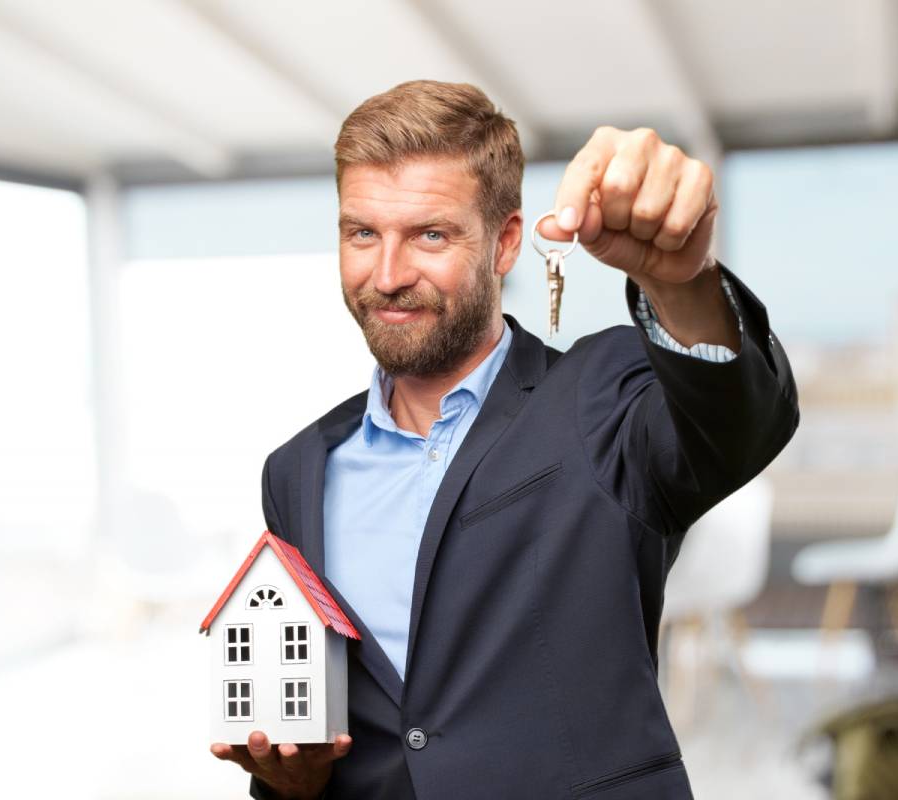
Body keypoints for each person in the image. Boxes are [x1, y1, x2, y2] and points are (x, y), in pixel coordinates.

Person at [210, 79, 799, 800]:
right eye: (362, 233)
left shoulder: (599, 399)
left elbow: (740, 426)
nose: (387, 275)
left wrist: (682, 282)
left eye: (430, 235)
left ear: (505, 242)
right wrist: (294, 783)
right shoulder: (296, 472)